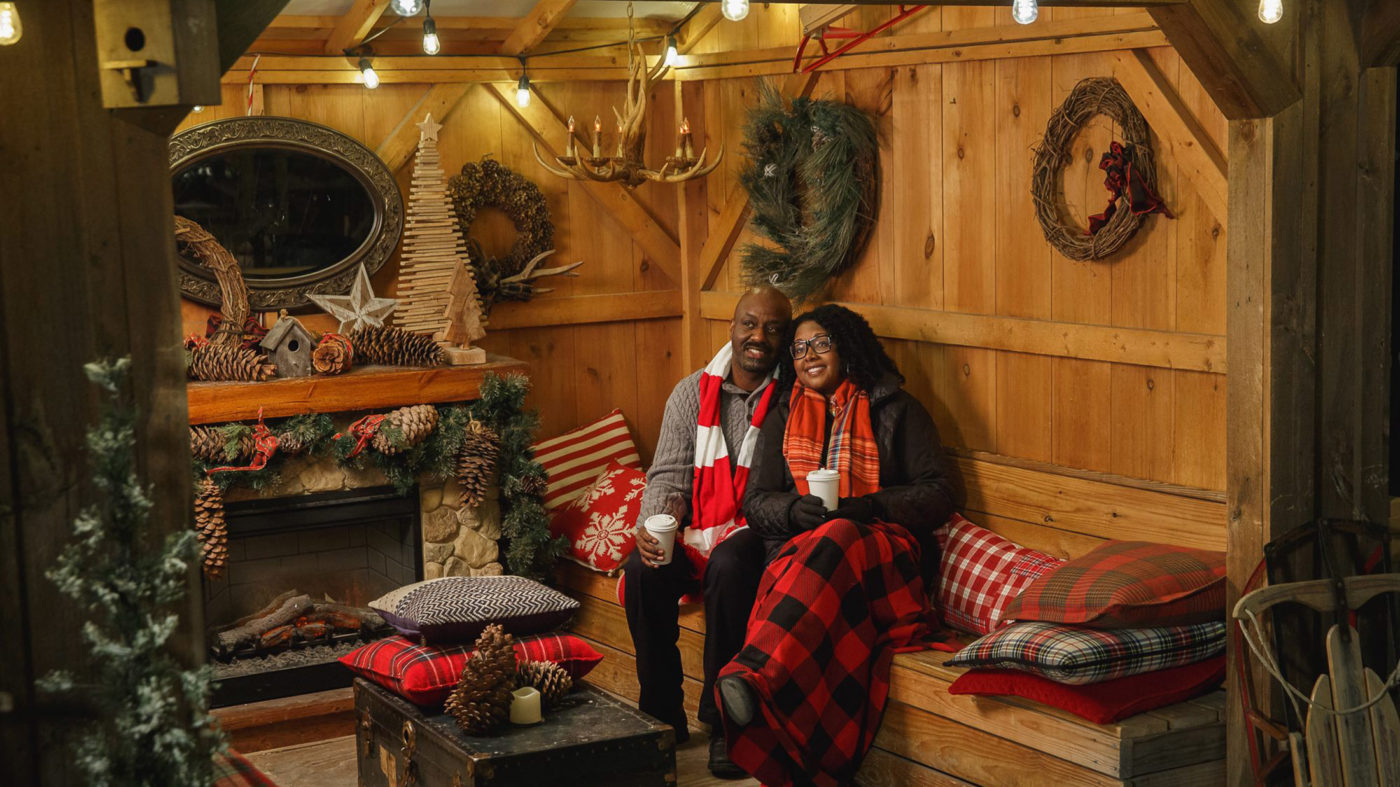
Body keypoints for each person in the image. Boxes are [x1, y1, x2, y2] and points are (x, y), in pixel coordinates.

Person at [717, 304, 961, 787]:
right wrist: (793, 512)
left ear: (847, 347)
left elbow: (940, 493)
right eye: (800, 347)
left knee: (840, 532)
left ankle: (754, 674)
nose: (808, 355)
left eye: (821, 343)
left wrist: (868, 507)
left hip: (882, 556)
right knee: (824, 537)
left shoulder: (897, 409)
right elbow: (756, 501)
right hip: (804, 557)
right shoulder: (783, 412)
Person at [622, 285, 793, 779]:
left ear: (783, 339)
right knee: (643, 567)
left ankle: (724, 723)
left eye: (773, 329)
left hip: (758, 534)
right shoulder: (692, 392)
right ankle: (660, 713)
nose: (758, 337)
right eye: (749, 324)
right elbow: (668, 477)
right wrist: (656, 527)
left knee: (731, 561)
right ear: (732, 328)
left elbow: (784, 491)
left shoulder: (791, 399)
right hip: (697, 529)